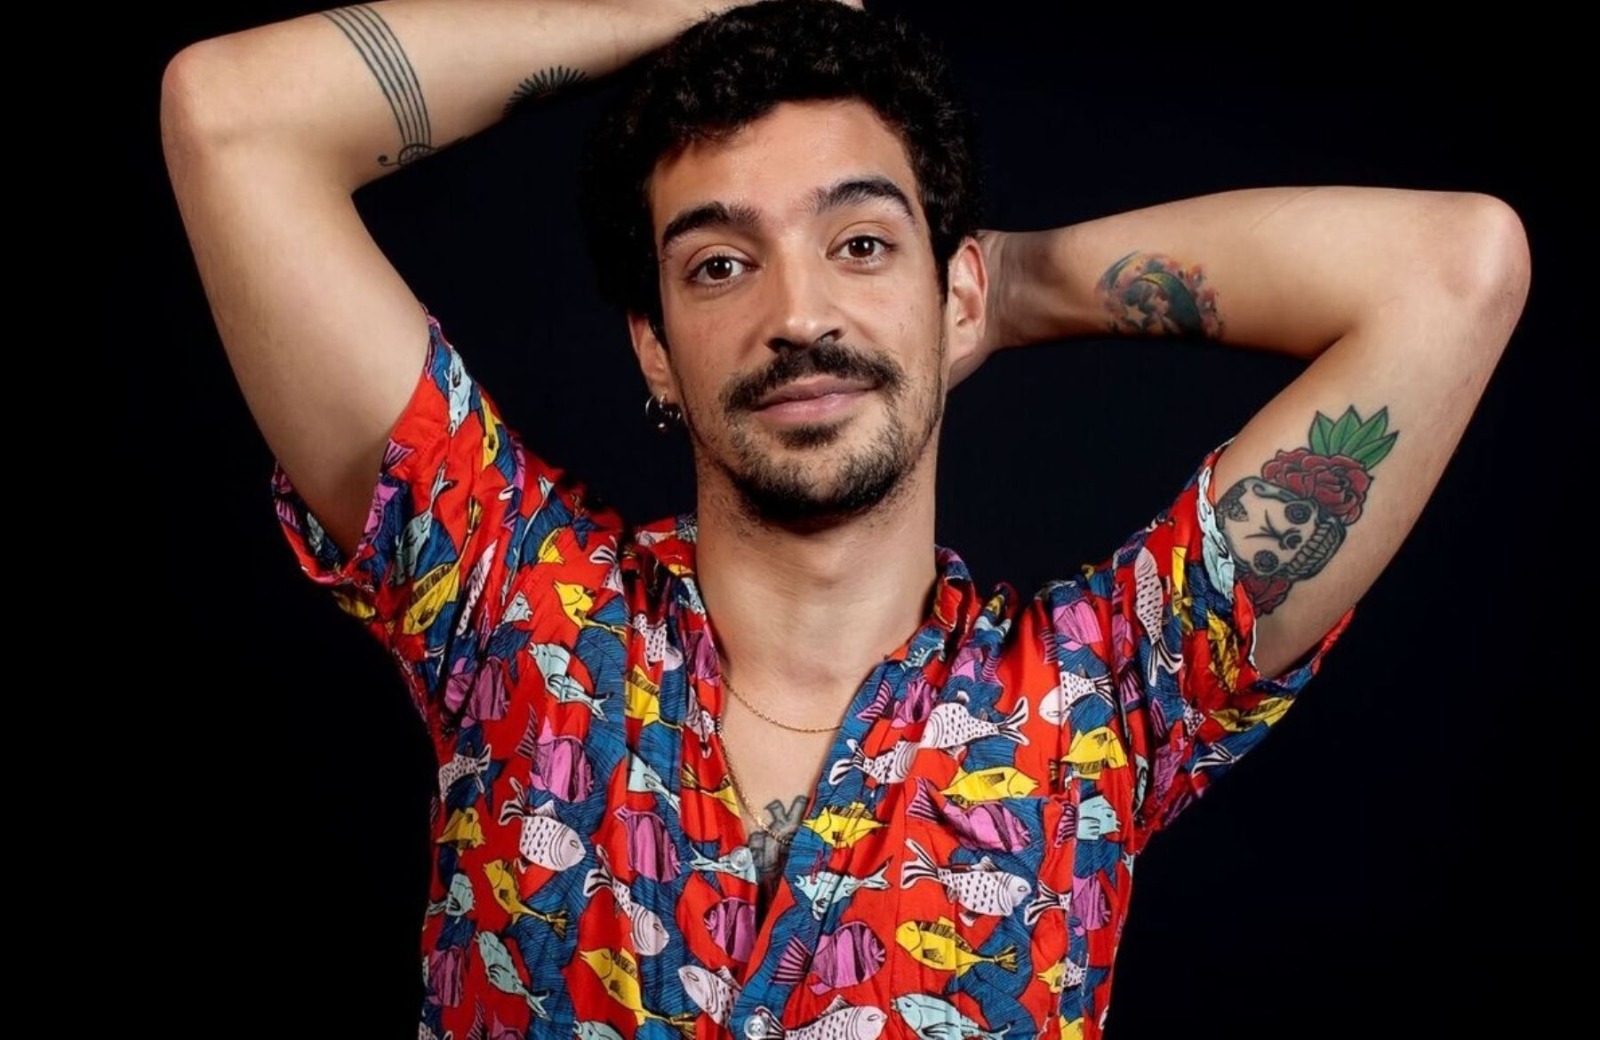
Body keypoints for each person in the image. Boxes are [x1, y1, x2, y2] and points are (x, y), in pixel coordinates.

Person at [159, 0, 1530, 1036]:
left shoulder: (1100, 702)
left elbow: (1454, 266)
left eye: (862, 245)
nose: (799, 313)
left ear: (953, 291)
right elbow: (233, 115)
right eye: (719, 263)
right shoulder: (508, 600)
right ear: (653, 350)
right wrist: (710, 13)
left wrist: (1000, 293)